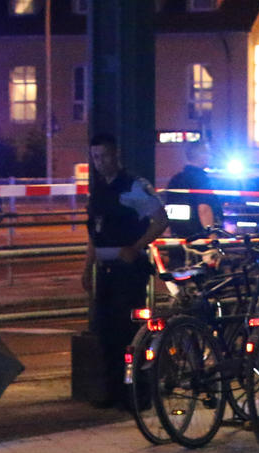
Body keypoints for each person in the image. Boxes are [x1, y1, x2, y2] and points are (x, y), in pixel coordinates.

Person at [82, 133, 168, 408]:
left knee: (129, 333)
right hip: (106, 269)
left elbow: (160, 219)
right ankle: (114, 391)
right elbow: (94, 233)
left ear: (116, 155)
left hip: (129, 268)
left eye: (104, 156)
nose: (100, 162)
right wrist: (87, 267)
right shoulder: (99, 190)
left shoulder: (133, 186)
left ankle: (137, 394)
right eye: (95, 157)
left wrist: (136, 246)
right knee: (107, 332)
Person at [162, 140, 220, 241]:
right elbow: (204, 209)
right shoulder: (202, 179)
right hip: (199, 237)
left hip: (177, 236)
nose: (211, 156)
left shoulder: (176, 179)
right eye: (209, 153)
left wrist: (167, 234)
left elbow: (168, 209)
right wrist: (211, 237)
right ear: (201, 155)